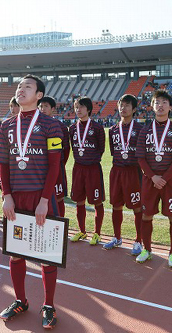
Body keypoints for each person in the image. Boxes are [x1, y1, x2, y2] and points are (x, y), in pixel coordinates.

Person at [0, 74, 63, 329]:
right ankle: (21, 300)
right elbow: (2, 163)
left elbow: (55, 165)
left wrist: (45, 200)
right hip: (15, 198)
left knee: (46, 255)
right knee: (15, 254)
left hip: (40, 196)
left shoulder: (51, 125)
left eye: (28, 87)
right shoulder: (6, 125)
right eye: (19, 86)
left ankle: (48, 305)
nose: (21, 89)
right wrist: (6, 196)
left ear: (39, 95)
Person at [135, 90, 172, 268]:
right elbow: (140, 157)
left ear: (170, 107)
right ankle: (147, 250)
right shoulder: (145, 130)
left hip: (169, 181)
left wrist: (163, 178)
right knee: (146, 215)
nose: (161, 105)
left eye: (164, 102)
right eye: (157, 102)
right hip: (150, 180)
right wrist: (153, 176)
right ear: (152, 106)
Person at [104, 95, 144, 255]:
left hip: (133, 172)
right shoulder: (113, 130)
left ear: (134, 109)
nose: (123, 108)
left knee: (137, 207)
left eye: (127, 105)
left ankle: (138, 241)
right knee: (116, 205)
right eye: (121, 105)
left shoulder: (141, 129)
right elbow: (113, 151)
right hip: (117, 171)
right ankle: (117, 237)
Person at [68, 97, 106, 245]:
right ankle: (82, 231)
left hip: (93, 169)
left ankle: (97, 233)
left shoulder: (97, 127)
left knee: (97, 201)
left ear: (88, 109)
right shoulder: (72, 128)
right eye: (76, 107)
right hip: (78, 168)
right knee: (79, 201)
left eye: (81, 107)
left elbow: (101, 148)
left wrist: (91, 160)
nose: (78, 110)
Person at [38, 96, 70, 217]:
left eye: (46, 106)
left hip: (56, 168)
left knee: (58, 198)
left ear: (52, 109)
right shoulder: (35, 125)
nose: (42, 109)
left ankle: (60, 225)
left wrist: (58, 164)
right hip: (39, 169)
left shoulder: (60, 126)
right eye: (40, 106)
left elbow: (66, 149)